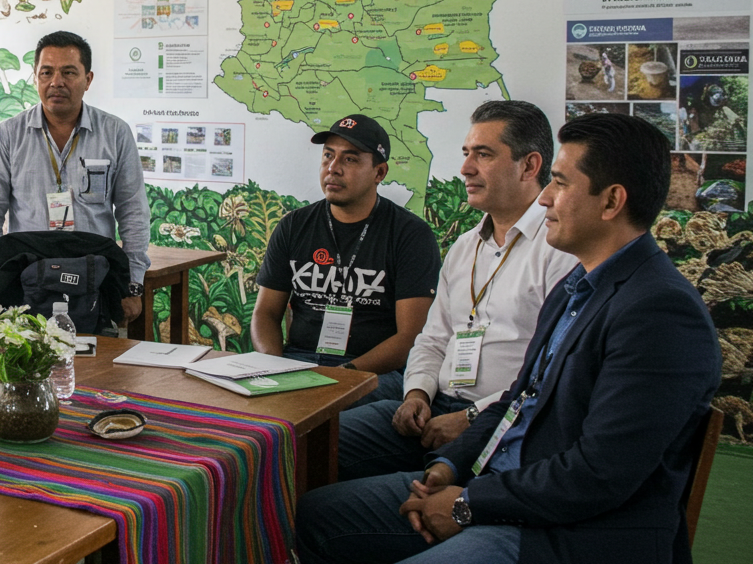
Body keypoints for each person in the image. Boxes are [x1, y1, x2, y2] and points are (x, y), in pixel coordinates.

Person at [296, 113, 721, 564]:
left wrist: (467, 503)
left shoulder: (660, 312)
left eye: (559, 183)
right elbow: (520, 397)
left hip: (561, 531)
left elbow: (598, 474)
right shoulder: (579, 285)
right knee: (316, 514)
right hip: (495, 481)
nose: (546, 200)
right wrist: (450, 466)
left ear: (612, 201)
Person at [337, 102, 579, 480]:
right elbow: (433, 339)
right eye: (467, 153)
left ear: (530, 166)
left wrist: (470, 418)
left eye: (484, 155)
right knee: (305, 442)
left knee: (326, 507)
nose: (466, 167)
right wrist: (416, 393)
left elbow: (550, 376)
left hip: (500, 423)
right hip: (432, 406)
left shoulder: (559, 251)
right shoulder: (465, 246)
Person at [251, 114, 440, 404]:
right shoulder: (293, 226)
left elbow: (410, 337)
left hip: (373, 371)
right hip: (297, 362)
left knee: (318, 421)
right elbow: (265, 314)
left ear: (379, 173)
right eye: (328, 155)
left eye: (350, 159)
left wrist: (344, 375)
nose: (333, 168)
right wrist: (273, 368)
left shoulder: (410, 234)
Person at [0, 30, 150, 322]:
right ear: (35, 77)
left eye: (69, 72)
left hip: (96, 283)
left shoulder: (115, 133)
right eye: (47, 72)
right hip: (26, 283)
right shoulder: (8, 135)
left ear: (88, 79)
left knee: (100, 365)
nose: (56, 82)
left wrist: (132, 286)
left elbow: (133, 212)